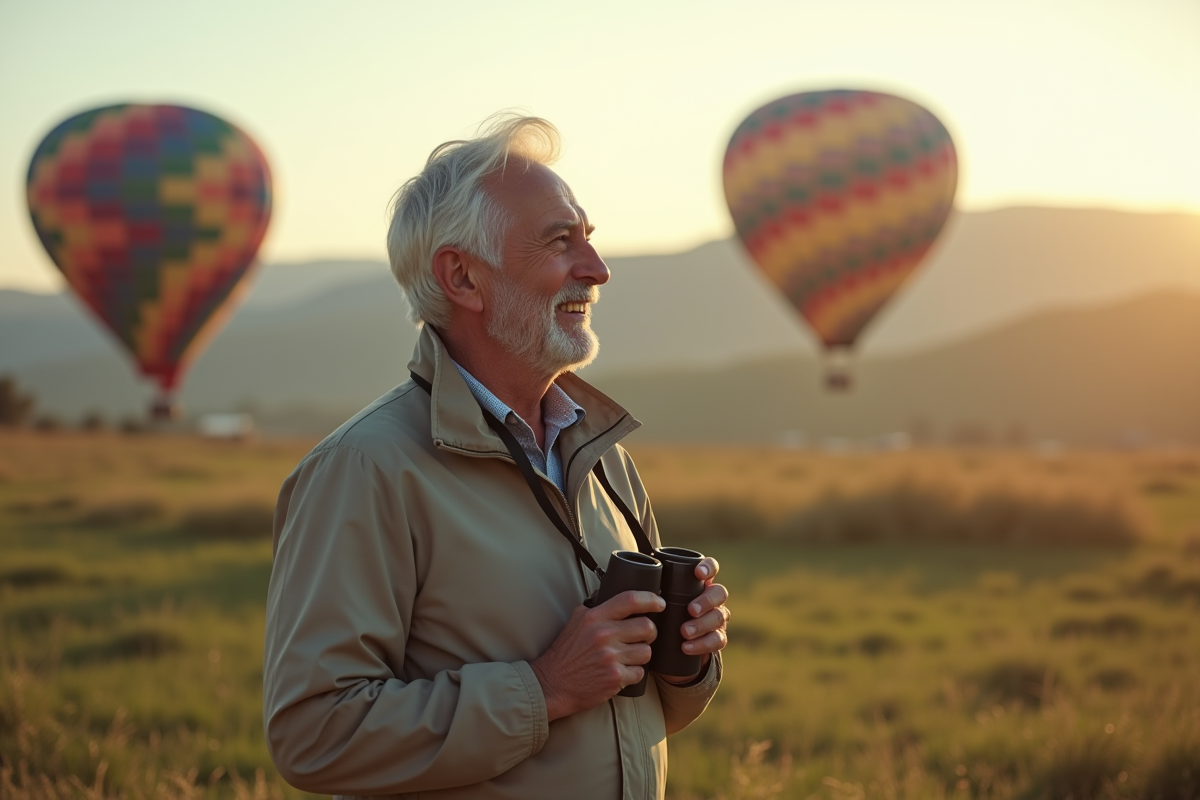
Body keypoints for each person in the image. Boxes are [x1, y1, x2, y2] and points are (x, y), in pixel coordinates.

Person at [263, 115, 730, 800]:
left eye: (589, 241)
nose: (597, 271)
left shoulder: (601, 457)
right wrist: (543, 689)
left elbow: (632, 716)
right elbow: (314, 735)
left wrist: (684, 663)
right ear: (462, 277)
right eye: (559, 242)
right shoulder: (366, 469)